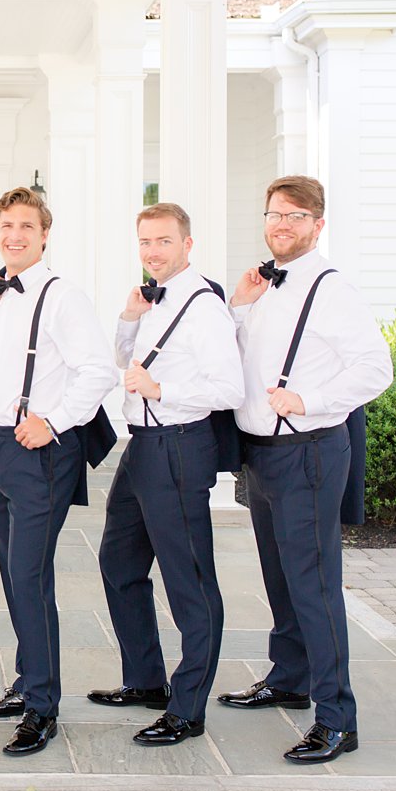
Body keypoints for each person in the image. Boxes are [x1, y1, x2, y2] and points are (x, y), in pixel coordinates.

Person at [218, 175, 392, 764]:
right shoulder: (262, 286)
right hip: (262, 454)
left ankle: (338, 718)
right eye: (274, 214)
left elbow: (375, 369)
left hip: (309, 450)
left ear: (318, 225)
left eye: (295, 216)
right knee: (279, 575)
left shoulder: (331, 288)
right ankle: (289, 675)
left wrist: (309, 399)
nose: (281, 224)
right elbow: (240, 358)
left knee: (314, 585)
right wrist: (240, 307)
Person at [0, 186, 117, 756]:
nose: (15, 236)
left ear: (45, 234)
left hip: (41, 452)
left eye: (26, 226)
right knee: (11, 574)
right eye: (6, 227)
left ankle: (43, 707)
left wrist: (56, 421)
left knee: (30, 577)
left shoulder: (63, 296)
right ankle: (27, 681)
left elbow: (98, 371)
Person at [89, 202, 244, 746]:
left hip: (179, 446)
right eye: (146, 243)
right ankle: (146, 679)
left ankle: (188, 706)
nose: (153, 252)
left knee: (189, 579)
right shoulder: (151, 298)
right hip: (142, 446)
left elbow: (230, 389)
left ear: (187, 244)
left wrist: (164, 391)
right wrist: (129, 318)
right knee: (117, 560)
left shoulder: (203, 307)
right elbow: (120, 360)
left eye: (164, 242)